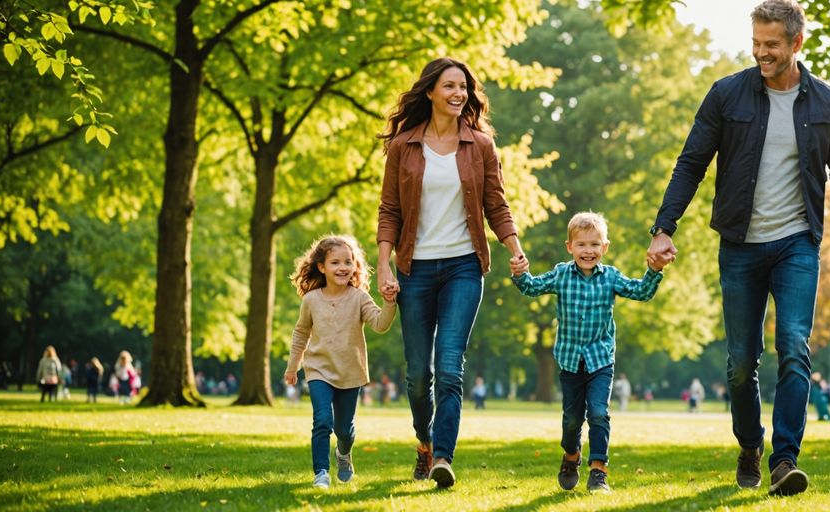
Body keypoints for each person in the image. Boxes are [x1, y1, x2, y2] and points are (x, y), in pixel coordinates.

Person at [646, 0, 830, 497]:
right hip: (741, 245)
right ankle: (749, 444)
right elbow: (691, 162)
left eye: (771, 44)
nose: (761, 53)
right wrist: (664, 227)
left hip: (797, 242)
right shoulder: (727, 95)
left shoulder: (828, 102)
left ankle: (784, 460)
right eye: (756, 43)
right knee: (739, 364)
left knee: (794, 347)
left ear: (797, 43)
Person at [376, 57, 527, 489]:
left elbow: (496, 205)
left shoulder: (479, 145)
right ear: (430, 92)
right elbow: (389, 211)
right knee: (416, 375)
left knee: (449, 367)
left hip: (464, 265)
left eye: (463, 86)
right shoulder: (403, 146)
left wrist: (515, 249)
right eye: (449, 86)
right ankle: (424, 443)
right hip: (414, 269)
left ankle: (443, 456)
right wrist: (384, 265)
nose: (459, 93)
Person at [510, 211, 668, 493]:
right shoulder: (561, 274)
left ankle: (599, 470)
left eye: (595, 244)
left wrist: (654, 270)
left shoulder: (611, 278)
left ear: (604, 247)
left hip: (600, 359)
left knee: (598, 412)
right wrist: (520, 273)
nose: (588, 251)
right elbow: (532, 288)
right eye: (581, 245)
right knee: (571, 419)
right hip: (570, 359)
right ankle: (571, 456)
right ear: (570, 247)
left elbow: (641, 291)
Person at [283, 234, 397, 489]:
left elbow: (380, 324)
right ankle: (321, 472)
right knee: (322, 420)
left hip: (350, 373)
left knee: (343, 430)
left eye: (348, 261)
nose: (343, 267)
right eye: (335, 262)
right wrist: (293, 367)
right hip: (318, 370)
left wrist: (389, 303)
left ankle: (343, 454)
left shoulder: (359, 297)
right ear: (321, 267)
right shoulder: (311, 300)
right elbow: (301, 333)